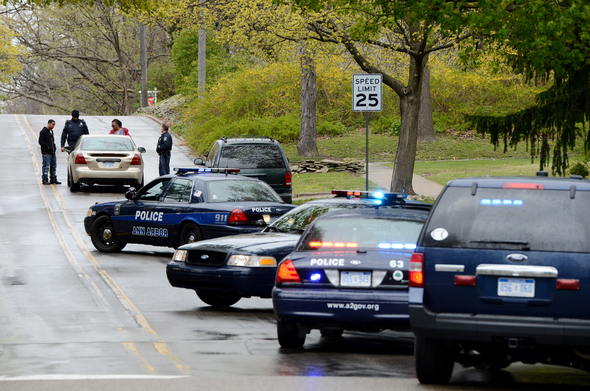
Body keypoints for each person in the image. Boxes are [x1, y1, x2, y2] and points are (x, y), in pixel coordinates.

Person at [38, 119, 61, 185]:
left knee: (53, 166)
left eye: (54, 125)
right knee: (46, 166)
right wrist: (47, 146)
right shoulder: (43, 131)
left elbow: (52, 141)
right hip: (46, 152)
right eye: (52, 124)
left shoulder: (51, 132)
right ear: (49, 123)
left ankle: (53, 179)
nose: (53, 126)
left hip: (52, 152)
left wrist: (54, 147)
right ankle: (45, 179)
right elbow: (40, 141)